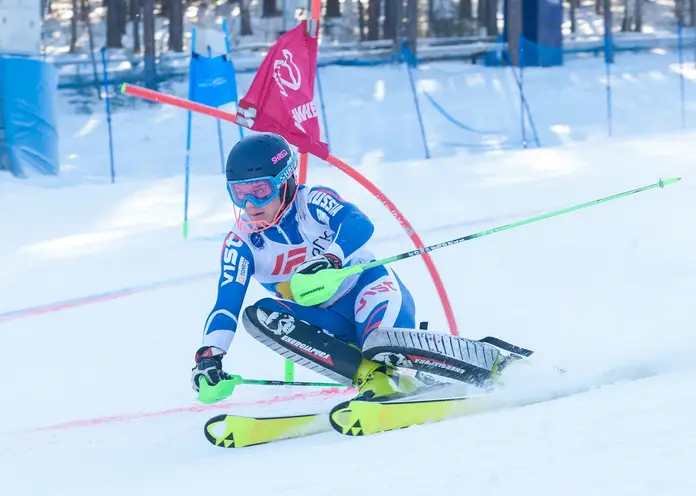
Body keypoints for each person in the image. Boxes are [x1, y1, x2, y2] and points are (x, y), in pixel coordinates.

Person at [190, 132, 424, 399]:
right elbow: (226, 303)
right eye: (239, 194)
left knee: (380, 345)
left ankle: (417, 367)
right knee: (260, 315)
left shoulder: (311, 202)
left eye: (260, 191)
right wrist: (209, 356)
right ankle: (371, 377)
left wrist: (331, 259)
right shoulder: (241, 242)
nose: (250, 205)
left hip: (367, 290)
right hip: (325, 321)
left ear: (285, 182)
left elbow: (358, 222)